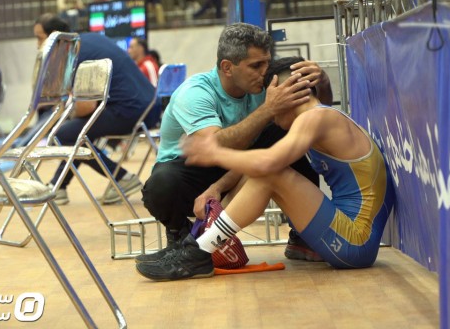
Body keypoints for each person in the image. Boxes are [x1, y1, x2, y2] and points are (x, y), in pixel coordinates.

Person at [135, 56, 394, 281]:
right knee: (264, 169)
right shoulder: (321, 116)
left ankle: (198, 251)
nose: (270, 112)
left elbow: (268, 164)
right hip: (351, 236)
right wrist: (217, 186)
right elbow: (258, 163)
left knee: (271, 171)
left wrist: (214, 152)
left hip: (355, 242)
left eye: (271, 101)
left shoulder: (315, 119)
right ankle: (197, 245)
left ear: (287, 94)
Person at [138, 23, 333, 259]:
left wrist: (322, 82)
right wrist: (269, 109)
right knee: (161, 184)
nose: (265, 72)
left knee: (292, 132)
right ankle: (181, 235)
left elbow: (318, 117)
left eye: (267, 63)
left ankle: (302, 235)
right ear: (227, 67)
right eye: (256, 66)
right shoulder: (194, 92)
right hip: (196, 169)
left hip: (240, 165)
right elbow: (214, 147)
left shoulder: (267, 84)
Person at [32, 13, 158, 205]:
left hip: (131, 111)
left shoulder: (73, 54)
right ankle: (59, 186)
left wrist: (67, 113)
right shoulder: (91, 38)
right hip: (150, 108)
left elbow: (86, 107)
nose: (38, 45)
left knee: (64, 134)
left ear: (56, 37)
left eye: (40, 38)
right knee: (78, 133)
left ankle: (122, 178)